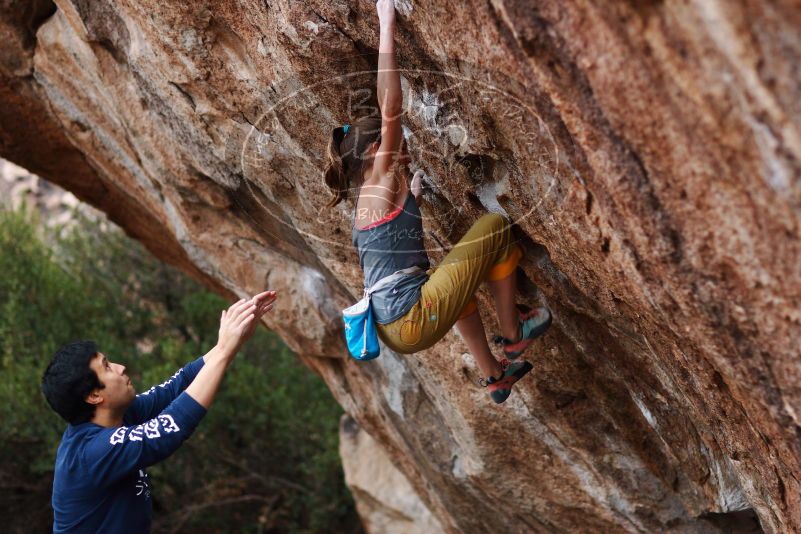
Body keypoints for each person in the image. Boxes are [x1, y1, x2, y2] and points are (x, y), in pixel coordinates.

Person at [323, 0, 551, 403]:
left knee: (452, 287)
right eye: (395, 146)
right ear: (376, 149)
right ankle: (514, 334)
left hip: (396, 326)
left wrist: (411, 196)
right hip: (411, 318)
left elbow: (389, 248)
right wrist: (386, 22)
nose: (403, 150)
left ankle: (495, 376)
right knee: (495, 228)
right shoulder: (381, 174)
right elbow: (390, 108)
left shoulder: (368, 200)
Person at [41, 291, 276, 533]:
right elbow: (171, 426)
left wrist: (227, 343)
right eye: (108, 368)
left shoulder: (119, 415)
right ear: (94, 396)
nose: (121, 368)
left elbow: (175, 388)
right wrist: (225, 351)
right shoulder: (92, 454)